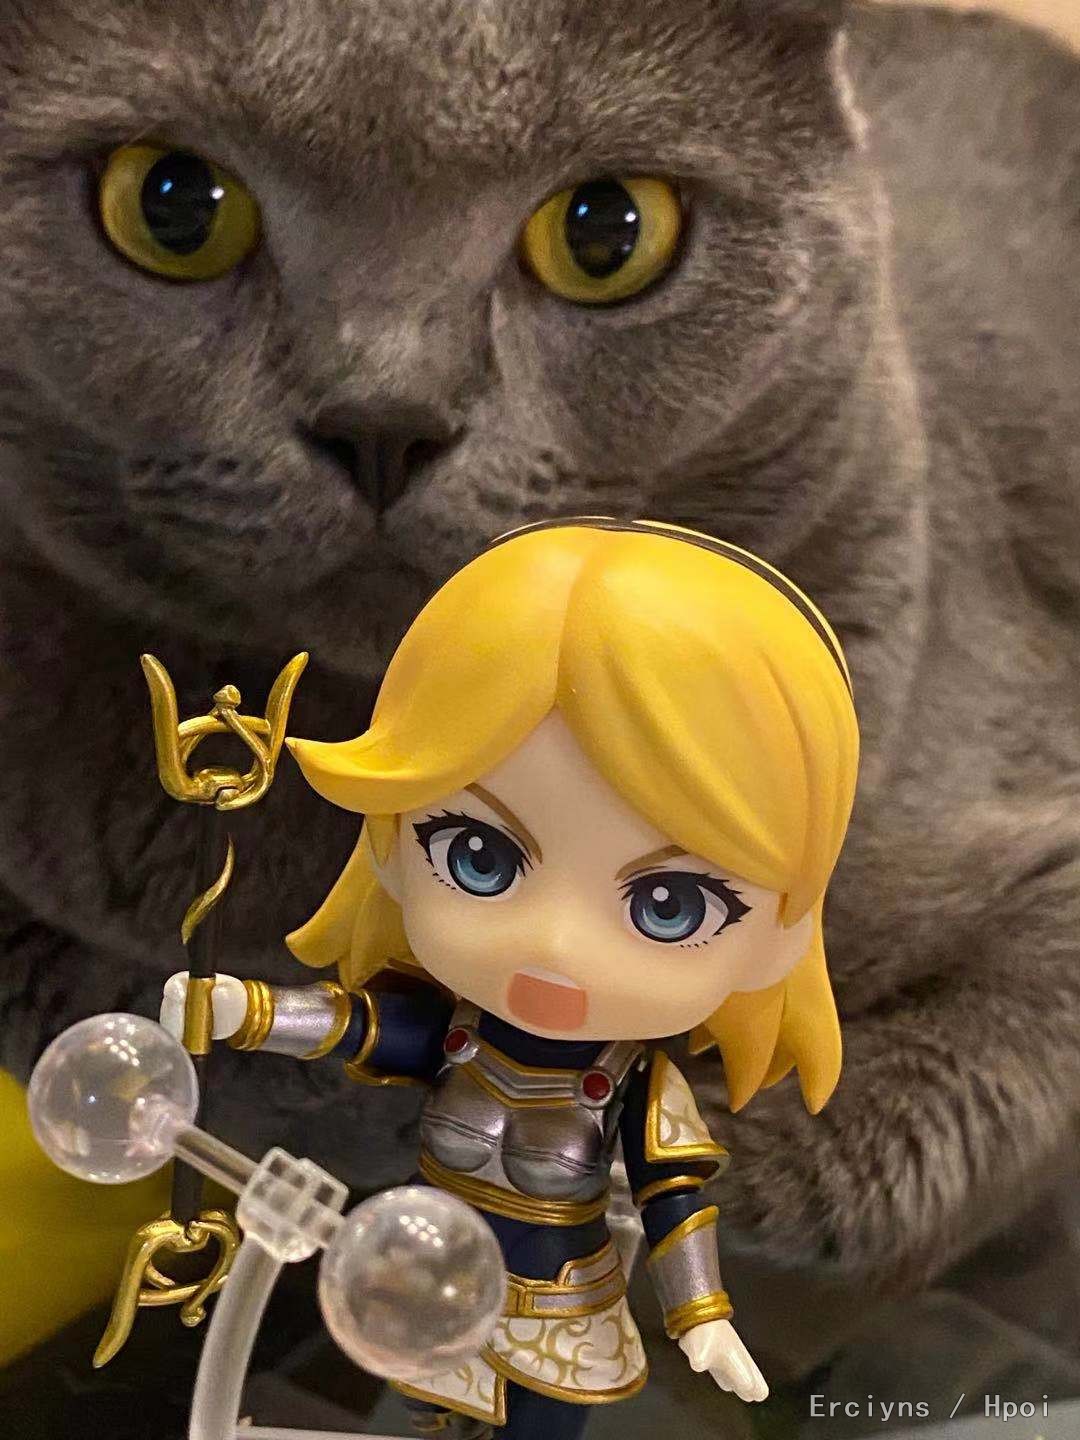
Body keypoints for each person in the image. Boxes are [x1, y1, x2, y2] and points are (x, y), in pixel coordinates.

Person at [162, 518, 860, 1439]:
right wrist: (241, 1010)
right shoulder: (454, 1033)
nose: (557, 945)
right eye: (478, 855)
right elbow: (354, 1025)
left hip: (558, 1319)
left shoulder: (631, 1081)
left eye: (670, 904)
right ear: (393, 844)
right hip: (422, 1289)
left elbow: (673, 1195)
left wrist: (702, 1316)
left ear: (782, 936)